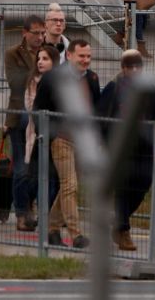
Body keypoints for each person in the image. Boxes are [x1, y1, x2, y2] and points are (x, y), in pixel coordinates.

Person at [96, 49, 155, 252]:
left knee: (142, 185)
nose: (135, 70)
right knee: (122, 188)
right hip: (120, 147)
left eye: (139, 67)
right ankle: (123, 230)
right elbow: (101, 118)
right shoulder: (114, 88)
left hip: (145, 146)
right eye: (131, 67)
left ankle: (120, 219)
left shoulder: (150, 91)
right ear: (124, 68)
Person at [32, 39, 100, 249]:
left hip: (82, 140)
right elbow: (39, 108)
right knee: (70, 185)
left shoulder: (92, 78)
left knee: (68, 189)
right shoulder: (53, 79)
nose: (86, 60)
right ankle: (76, 234)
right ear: (69, 56)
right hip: (60, 138)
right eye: (82, 56)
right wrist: (45, 135)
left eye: (88, 56)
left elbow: (96, 110)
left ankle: (52, 229)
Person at [5, 14, 45, 231]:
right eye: (36, 33)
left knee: (37, 170)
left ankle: (29, 206)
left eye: (42, 33)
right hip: (19, 118)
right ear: (25, 33)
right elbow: (16, 82)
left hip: (41, 119)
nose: (40, 37)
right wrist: (39, 67)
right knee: (21, 169)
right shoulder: (13, 54)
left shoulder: (48, 52)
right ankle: (21, 213)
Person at [24, 43, 60, 222]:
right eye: (38, 59)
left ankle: (48, 216)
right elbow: (32, 109)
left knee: (53, 178)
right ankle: (29, 207)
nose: (40, 62)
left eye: (45, 59)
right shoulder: (33, 82)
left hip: (57, 137)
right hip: (37, 135)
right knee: (34, 176)